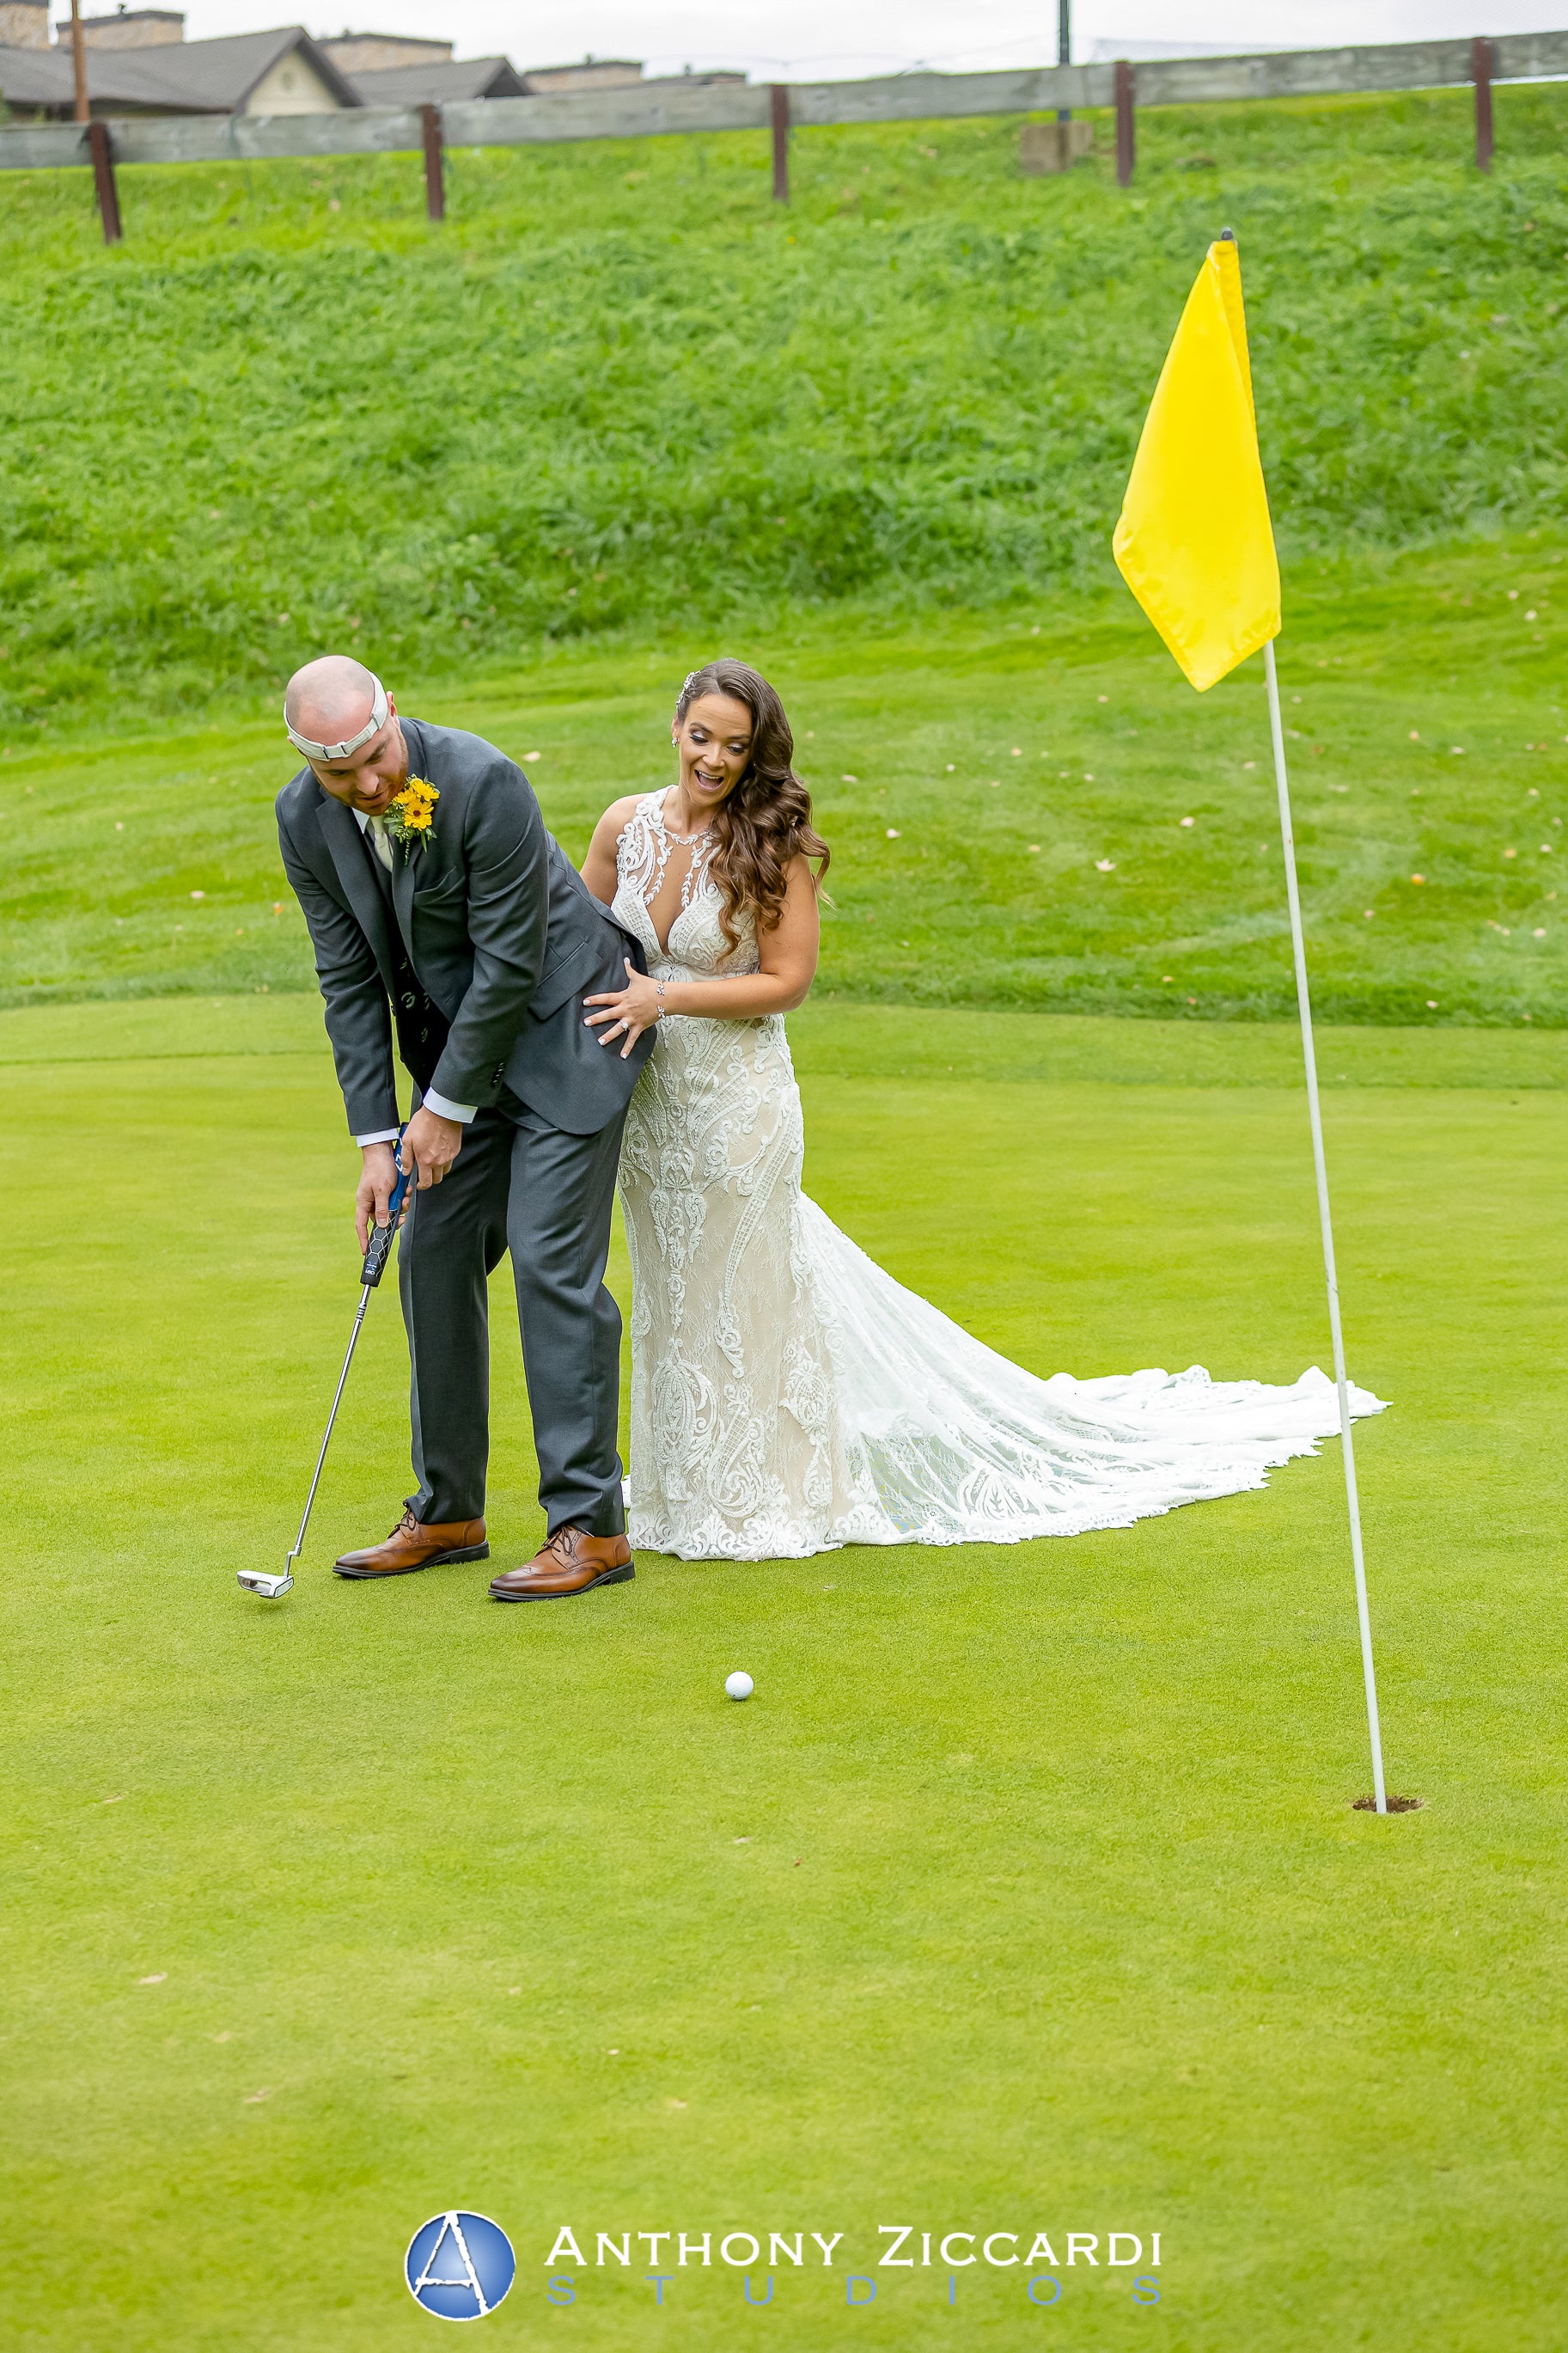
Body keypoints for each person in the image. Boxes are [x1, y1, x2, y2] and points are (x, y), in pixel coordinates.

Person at [579, 657, 1385, 1563]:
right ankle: (682, 1493)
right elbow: (584, 941)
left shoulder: (776, 844)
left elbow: (787, 981)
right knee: (671, 1291)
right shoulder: (624, 826)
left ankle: (761, 1497)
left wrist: (667, 999)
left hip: (738, 1105)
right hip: (650, 1112)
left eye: (735, 744)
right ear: (675, 726)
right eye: (702, 736)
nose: (714, 759)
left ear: (757, 751)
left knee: (746, 1292)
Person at [276, 655, 653, 1602]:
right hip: (461, 1063)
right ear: (306, 764)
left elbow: (508, 963)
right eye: (341, 774)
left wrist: (441, 1113)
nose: (370, 784)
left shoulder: (480, 780)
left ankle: (589, 1526)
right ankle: (447, 1509)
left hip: (568, 1033)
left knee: (547, 1262)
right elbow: (350, 980)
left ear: (391, 713)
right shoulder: (303, 820)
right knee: (433, 1252)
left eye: (376, 756)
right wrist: (378, 1137)